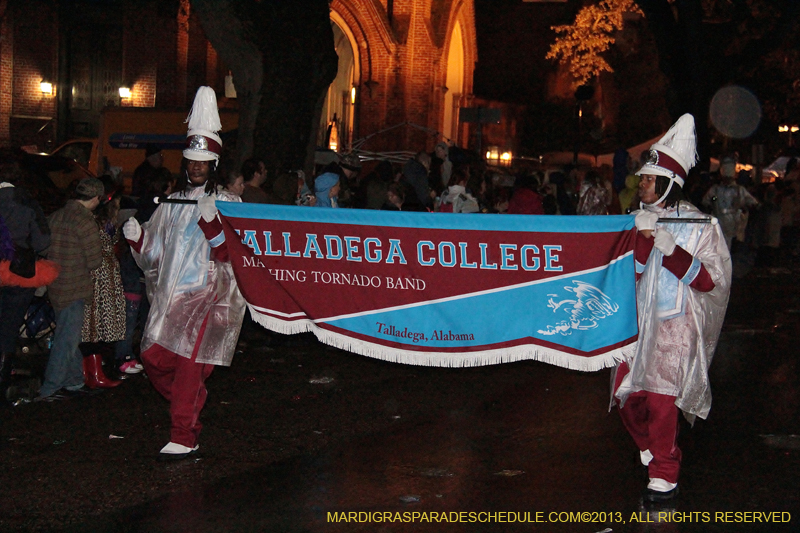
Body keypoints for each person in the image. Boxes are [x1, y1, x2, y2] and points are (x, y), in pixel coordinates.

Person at [123, 87, 246, 460]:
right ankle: (188, 400)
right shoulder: (171, 204)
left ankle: (184, 433)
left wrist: (213, 224)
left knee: (190, 371)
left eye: (203, 162)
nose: (196, 168)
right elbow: (157, 254)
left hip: (208, 299)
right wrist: (139, 238)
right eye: (191, 161)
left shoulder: (229, 203)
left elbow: (234, 257)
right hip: (170, 300)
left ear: (214, 165)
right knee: (154, 359)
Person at [613, 114, 731, 502]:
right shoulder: (630, 222)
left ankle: (665, 468)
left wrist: (670, 247)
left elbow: (709, 282)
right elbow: (622, 274)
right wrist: (643, 239)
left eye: (647, 179)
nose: (640, 184)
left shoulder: (702, 225)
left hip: (674, 327)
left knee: (663, 403)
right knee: (628, 398)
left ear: (666, 183)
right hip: (634, 326)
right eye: (641, 178)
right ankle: (651, 447)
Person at [38, 178, 104, 400]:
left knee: (68, 335)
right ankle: (50, 387)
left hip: (55, 284)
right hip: (75, 287)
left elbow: (42, 247)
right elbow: (95, 261)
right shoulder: (85, 222)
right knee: (66, 340)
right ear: (95, 199)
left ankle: (74, 381)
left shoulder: (55, 217)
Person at [0, 161, 55, 404]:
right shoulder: (26, 202)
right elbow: (43, 242)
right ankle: (2, 384)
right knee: (9, 328)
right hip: (16, 271)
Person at [79, 177, 125, 389]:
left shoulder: (93, 220)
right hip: (101, 275)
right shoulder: (103, 223)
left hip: (100, 273)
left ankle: (90, 371)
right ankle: (94, 373)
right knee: (95, 325)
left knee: (92, 325)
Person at [702, 155, 758, 250]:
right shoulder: (715, 189)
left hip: (734, 228)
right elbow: (705, 204)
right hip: (718, 227)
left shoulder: (740, 190)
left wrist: (743, 208)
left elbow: (754, 204)